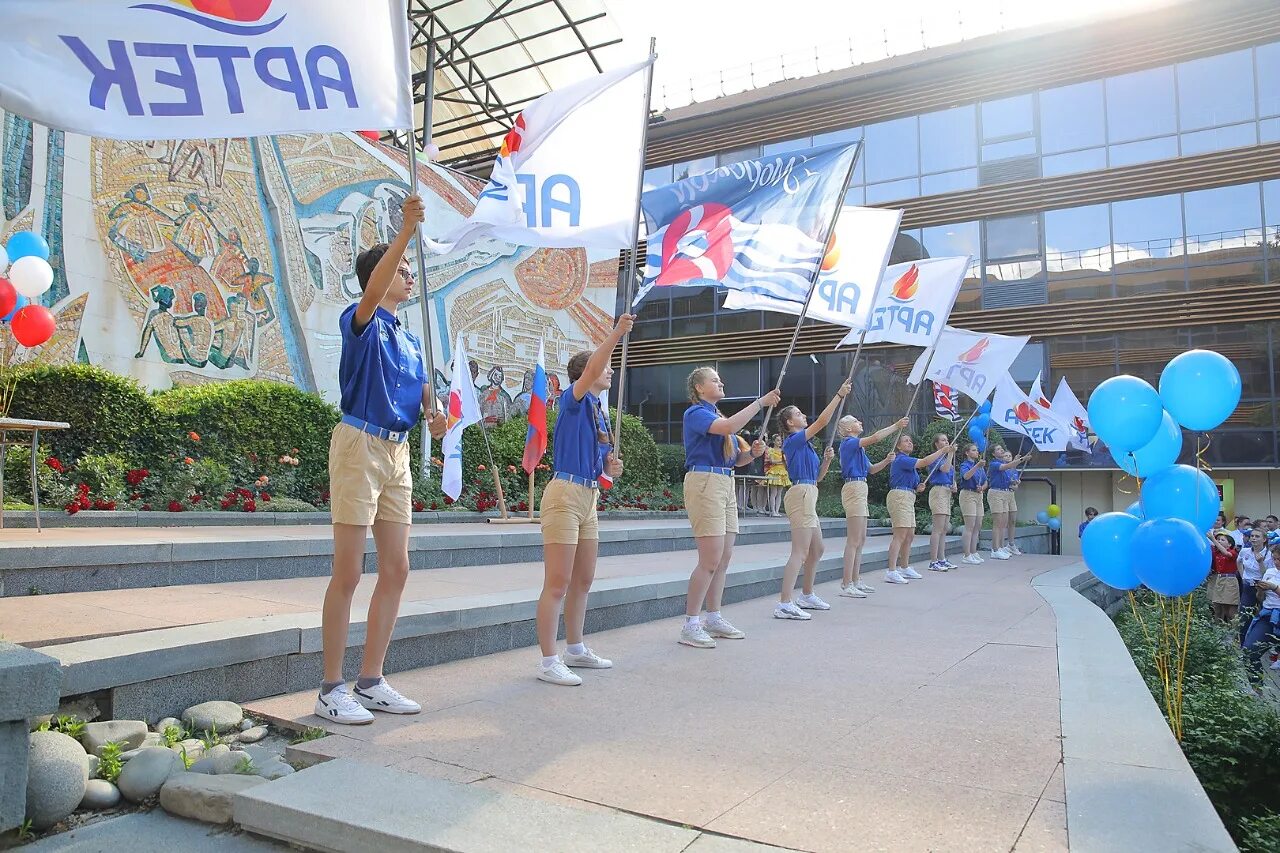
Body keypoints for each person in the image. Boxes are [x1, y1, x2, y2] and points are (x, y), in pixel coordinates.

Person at [316, 194, 447, 725]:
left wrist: (435, 418)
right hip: (358, 445)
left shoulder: (411, 340)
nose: (411, 279)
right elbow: (372, 293)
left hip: (397, 452)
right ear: (380, 275)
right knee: (348, 570)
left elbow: (418, 400)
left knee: (397, 567)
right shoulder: (361, 317)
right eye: (403, 272)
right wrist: (405, 233)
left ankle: (371, 680)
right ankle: (331, 687)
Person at [534, 315, 634, 686]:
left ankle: (575, 648)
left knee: (584, 579)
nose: (609, 372)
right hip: (564, 494)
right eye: (604, 367)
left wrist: (609, 467)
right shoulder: (573, 398)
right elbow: (593, 368)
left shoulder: (598, 411)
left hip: (588, 496)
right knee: (557, 582)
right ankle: (548, 660)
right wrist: (616, 334)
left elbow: (598, 461)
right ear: (586, 374)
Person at [678, 369, 777, 648]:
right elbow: (728, 428)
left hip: (724, 481)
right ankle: (691, 623)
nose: (721, 383)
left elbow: (735, 459)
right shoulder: (696, 413)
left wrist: (752, 455)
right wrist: (760, 403)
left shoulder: (719, 417)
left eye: (721, 379)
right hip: (705, 481)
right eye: (714, 380)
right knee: (709, 559)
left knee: (723, 558)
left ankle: (714, 617)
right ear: (698, 387)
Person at [773, 383, 851, 619]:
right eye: (798, 414)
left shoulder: (805, 445)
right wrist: (838, 395)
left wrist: (827, 461)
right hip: (801, 494)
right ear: (789, 423)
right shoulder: (793, 439)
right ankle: (784, 602)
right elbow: (822, 422)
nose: (803, 416)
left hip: (809, 490)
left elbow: (818, 476)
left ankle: (806, 595)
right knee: (800, 551)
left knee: (817, 548)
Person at [834, 415, 904, 597]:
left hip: (860, 486)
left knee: (861, 539)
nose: (861, 422)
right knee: (854, 539)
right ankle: (846, 583)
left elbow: (871, 469)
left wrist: (886, 462)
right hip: (854, 487)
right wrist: (895, 426)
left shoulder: (858, 449)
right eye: (856, 421)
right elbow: (874, 438)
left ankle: (855, 580)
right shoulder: (849, 443)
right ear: (848, 429)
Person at [884, 433, 955, 584]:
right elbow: (923, 461)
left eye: (910, 441)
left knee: (909, 535)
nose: (910, 443)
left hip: (909, 496)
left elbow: (914, 481)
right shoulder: (901, 458)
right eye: (905, 441)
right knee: (900, 535)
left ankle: (904, 567)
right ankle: (891, 570)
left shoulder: (908, 462)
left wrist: (918, 487)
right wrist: (943, 451)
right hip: (899, 496)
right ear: (898, 445)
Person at [1242, 543, 1280, 674]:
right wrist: (1260, 590)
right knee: (1249, 650)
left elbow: (1274, 589)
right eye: (1274, 559)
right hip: (1268, 615)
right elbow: (1261, 598)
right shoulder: (1270, 572)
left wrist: (1274, 588)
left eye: (1279, 559)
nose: (1276, 562)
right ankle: (1257, 688)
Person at [987, 446, 1030, 560]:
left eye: (1001, 449)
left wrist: (1014, 482)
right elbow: (1006, 466)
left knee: (1003, 523)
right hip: (996, 493)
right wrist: (1022, 459)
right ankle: (994, 549)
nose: (1001, 450)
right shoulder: (994, 464)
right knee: (997, 523)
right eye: (998, 449)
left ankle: (1000, 547)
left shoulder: (1005, 467)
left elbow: (1008, 479)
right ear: (993, 454)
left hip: (1005, 493)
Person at [924, 433, 959, 572]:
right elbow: (943, 469)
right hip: (938, 491)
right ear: (937, 444)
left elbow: (950, 475)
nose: (946, 442)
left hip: (946, 492)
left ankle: (942, 558)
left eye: (947, 440)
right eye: (943, 440)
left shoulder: (946, 458)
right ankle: (933, 561)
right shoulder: (936, 457)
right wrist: (950, 454)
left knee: (944, 528)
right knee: (937, 528)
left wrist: (954, 484)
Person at [957, 443, 988, 564]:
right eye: (974, 450)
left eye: (977, 450)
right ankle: (966, 554)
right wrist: (977, 466)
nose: (976, 452)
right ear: (967, 452)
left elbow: (986, 481)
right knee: (969, 525)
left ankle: (974, 552)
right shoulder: (965, 465)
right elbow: (966, 476)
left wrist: (983, 487)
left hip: (978, 495)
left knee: (977, 525)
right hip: (968, 494)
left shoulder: (979, 466)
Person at [1238, 528, 1275, 612]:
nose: (1253, 538)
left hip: (1263, 586)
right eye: (1252, 536)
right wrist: (1242, 575)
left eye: (1257, 536)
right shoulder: (1244, 551)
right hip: (1248, 584)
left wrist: (1261, 562)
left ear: (1264, 539)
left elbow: (1268, 574)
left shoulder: (1270, 555)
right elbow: (1238, 561)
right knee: (1244, 612)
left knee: (1262, 611)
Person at [1207, 532, 1240, 624]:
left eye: (1222, 540)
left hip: (1229, 581)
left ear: (1229, 544)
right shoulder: (1216, 552)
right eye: (1218, 539)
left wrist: (1213, 539)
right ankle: (1218, 629)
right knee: (1217, 606)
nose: (1219, 541)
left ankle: (1234, 632)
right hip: (1219, 579)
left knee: (1230, 609)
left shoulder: (1233, 552)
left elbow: (1226, 553)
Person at [761, 434, 790, 517]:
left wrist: (783, 462)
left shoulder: (783, 451)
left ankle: (777, 511)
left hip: (782, 471)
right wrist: (782, 462)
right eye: (777, 440)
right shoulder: (771, 450)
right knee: (774, 492)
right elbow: (772, 461)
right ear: (774, 441)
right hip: (774, 471)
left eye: (780, 440)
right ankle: (773, 511)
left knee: (779, 493)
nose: (780, 442)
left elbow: (787, 462)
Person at [1006, 453, 1025, 556]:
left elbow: (1015, 487)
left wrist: (1016, 484)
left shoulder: (1014, 471)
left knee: (1012, 520)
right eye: (1006, 456)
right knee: (1004, 520)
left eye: (1009, 456)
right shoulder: (1003, 469)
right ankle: (1001, 545)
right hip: (1003, 494)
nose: (1008, 457)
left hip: (1011, 495)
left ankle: (1011, 543)